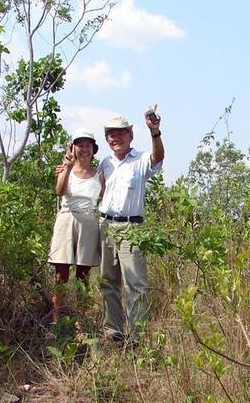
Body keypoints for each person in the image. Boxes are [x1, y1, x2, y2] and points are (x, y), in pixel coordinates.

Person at [98, 108, 164, 343]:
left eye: (120, 134)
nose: (115, 138)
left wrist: (155, 132)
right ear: (107, 139)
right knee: (108, 282)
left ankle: (137, 338)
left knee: (136, 285)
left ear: (130, 136)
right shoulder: (104, 163)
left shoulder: (140, 159)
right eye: (111, 134)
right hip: (106, 226)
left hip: (131, 228)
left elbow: (158, 158)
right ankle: (113, 332)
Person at [48, 129, 104, 323]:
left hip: (88, 221)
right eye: (80, 145)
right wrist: (67, 168)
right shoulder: (65, 169)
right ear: (73, 148)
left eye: (88, 145)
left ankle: (81, 321)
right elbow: (59, 191)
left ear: (94, 149)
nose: (84, 149)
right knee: (61, 273)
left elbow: (106, 197)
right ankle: (57, 319)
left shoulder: (99, 174)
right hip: (66, 218)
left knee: (83, 274)